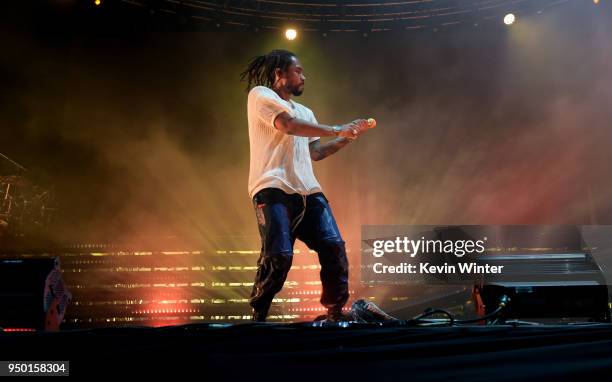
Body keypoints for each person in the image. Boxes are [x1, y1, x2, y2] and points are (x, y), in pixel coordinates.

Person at [240, 49, 371, 322]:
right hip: (273, 188)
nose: (303, 76)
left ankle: (336, 313)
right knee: (279, 256)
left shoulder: (306, 112)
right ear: (279, 73)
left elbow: (317, 152)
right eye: (298, 71)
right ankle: (259, 311)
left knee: (334, 247)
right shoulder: (261, 95)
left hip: (309, 192)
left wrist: (346, 137)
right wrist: (337, 127)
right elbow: (287, 125)